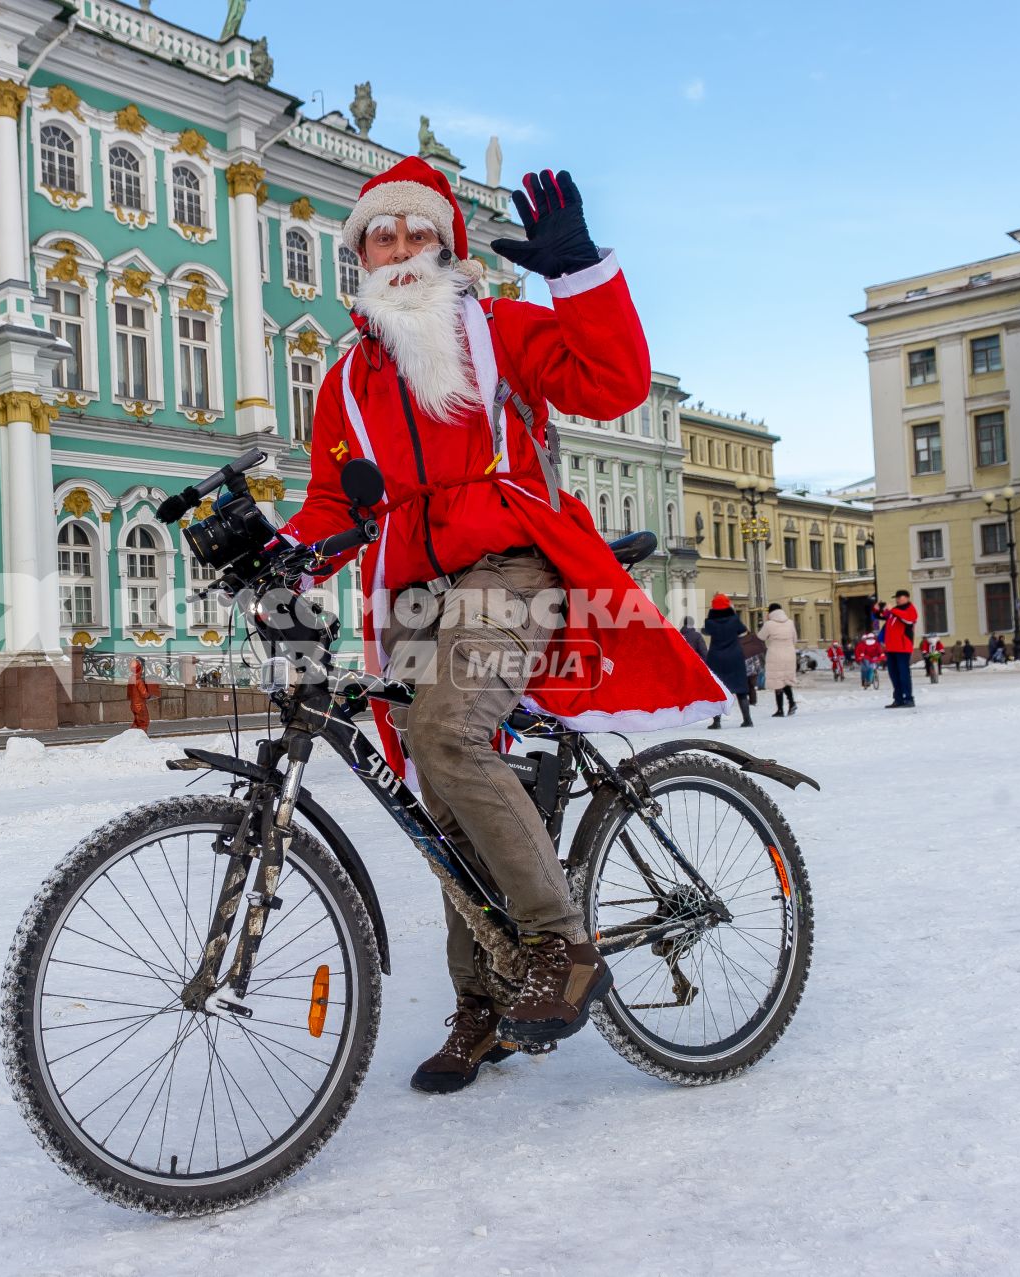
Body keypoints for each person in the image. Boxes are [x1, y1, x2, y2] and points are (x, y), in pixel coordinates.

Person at [275, 157, 724, 1092]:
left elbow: (614, 380)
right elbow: (331, 503)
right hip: (410, 587)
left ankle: (560, 944)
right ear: (359, 255)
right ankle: (484, 1000)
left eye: (414, 233)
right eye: (379, 236)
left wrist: (578, 273)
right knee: (435, 796)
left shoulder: (501, 330)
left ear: (446, 246)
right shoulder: (347, 382)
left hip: (510, 565)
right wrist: (280, 558)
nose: (397, 249)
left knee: (445, 732)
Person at [702, 594, 754, 729]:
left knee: (718, 690)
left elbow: (705, 631)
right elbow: (743, 631)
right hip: (735, 657)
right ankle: (747, 719)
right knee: (741, 689)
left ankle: (717, 722)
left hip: (717, 658)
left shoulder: (710, 622)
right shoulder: (734, 620)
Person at [876, 589, 918, 707]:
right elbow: (880, 616)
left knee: (903, 674)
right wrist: (878, 608)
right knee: (894, 674)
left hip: (903, 648)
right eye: (897, 597)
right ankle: (898, 699)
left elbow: (908, 620)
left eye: (900, 597)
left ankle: (908, 698)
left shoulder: (910, 609)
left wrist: (892, 610)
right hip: (891, 648)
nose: (897, 599)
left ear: (907, 598)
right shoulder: (895, 611)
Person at [759, 603, 799, 717]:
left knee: (777, 681)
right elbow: (795, 639)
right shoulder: (790, 622)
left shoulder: (769, 624)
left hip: (775, 654)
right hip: (789, 654)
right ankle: (792, 703)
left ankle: (780, 710)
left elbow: (760, 637)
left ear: (770, 612)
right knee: (786, 679)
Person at [127, 657, 155, 733]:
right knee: (144, 722)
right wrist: (149, 696)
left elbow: (129, 693)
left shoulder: (131, 679)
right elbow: (143, 693)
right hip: (140, 705)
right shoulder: (138, 680)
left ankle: (131, 736)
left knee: (136, 722)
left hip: (133, 705)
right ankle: (142, 739)